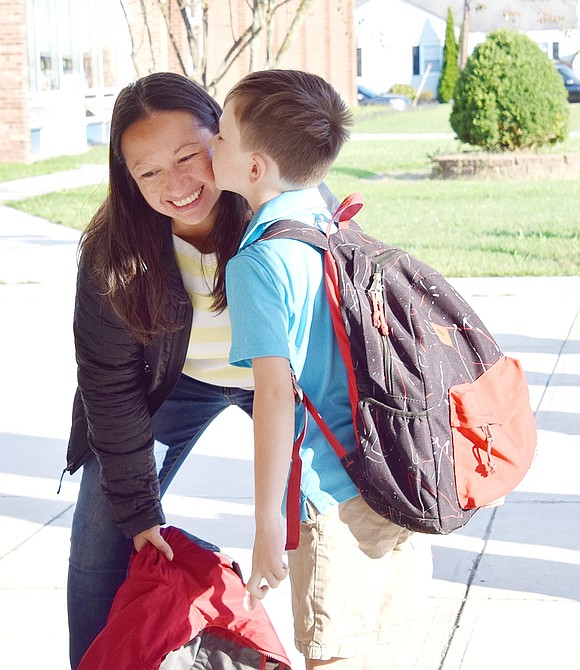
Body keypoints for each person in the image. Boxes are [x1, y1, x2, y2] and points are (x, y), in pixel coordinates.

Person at [210, 69, 432, 669]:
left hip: (330, 501)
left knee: (333, 655)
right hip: (394, 474)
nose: (210, 144)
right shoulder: (331, 220)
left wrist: (264, 529)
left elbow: (276, 399)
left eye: (221, 136)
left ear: (255, 168)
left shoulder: (258, 262)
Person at [65, 72, 256, 669]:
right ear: (128, 180)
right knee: (103, 532)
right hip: (177, 384)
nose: (175, 185)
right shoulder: (114, 254)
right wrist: (139, 510)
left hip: (283, 382)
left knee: (325, 527)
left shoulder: (275, 203)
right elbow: (110, 390)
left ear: (221, 139)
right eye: (148, 173)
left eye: (188, 156)